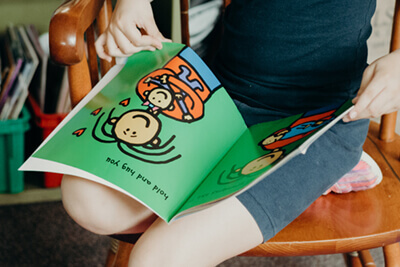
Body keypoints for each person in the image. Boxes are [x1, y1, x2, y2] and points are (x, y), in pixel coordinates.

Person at [61, 0, 400, 266]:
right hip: (224, 95)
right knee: (86, 201)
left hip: (319, 119)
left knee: (156, 259)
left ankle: (310, 174)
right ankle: (218, 195)